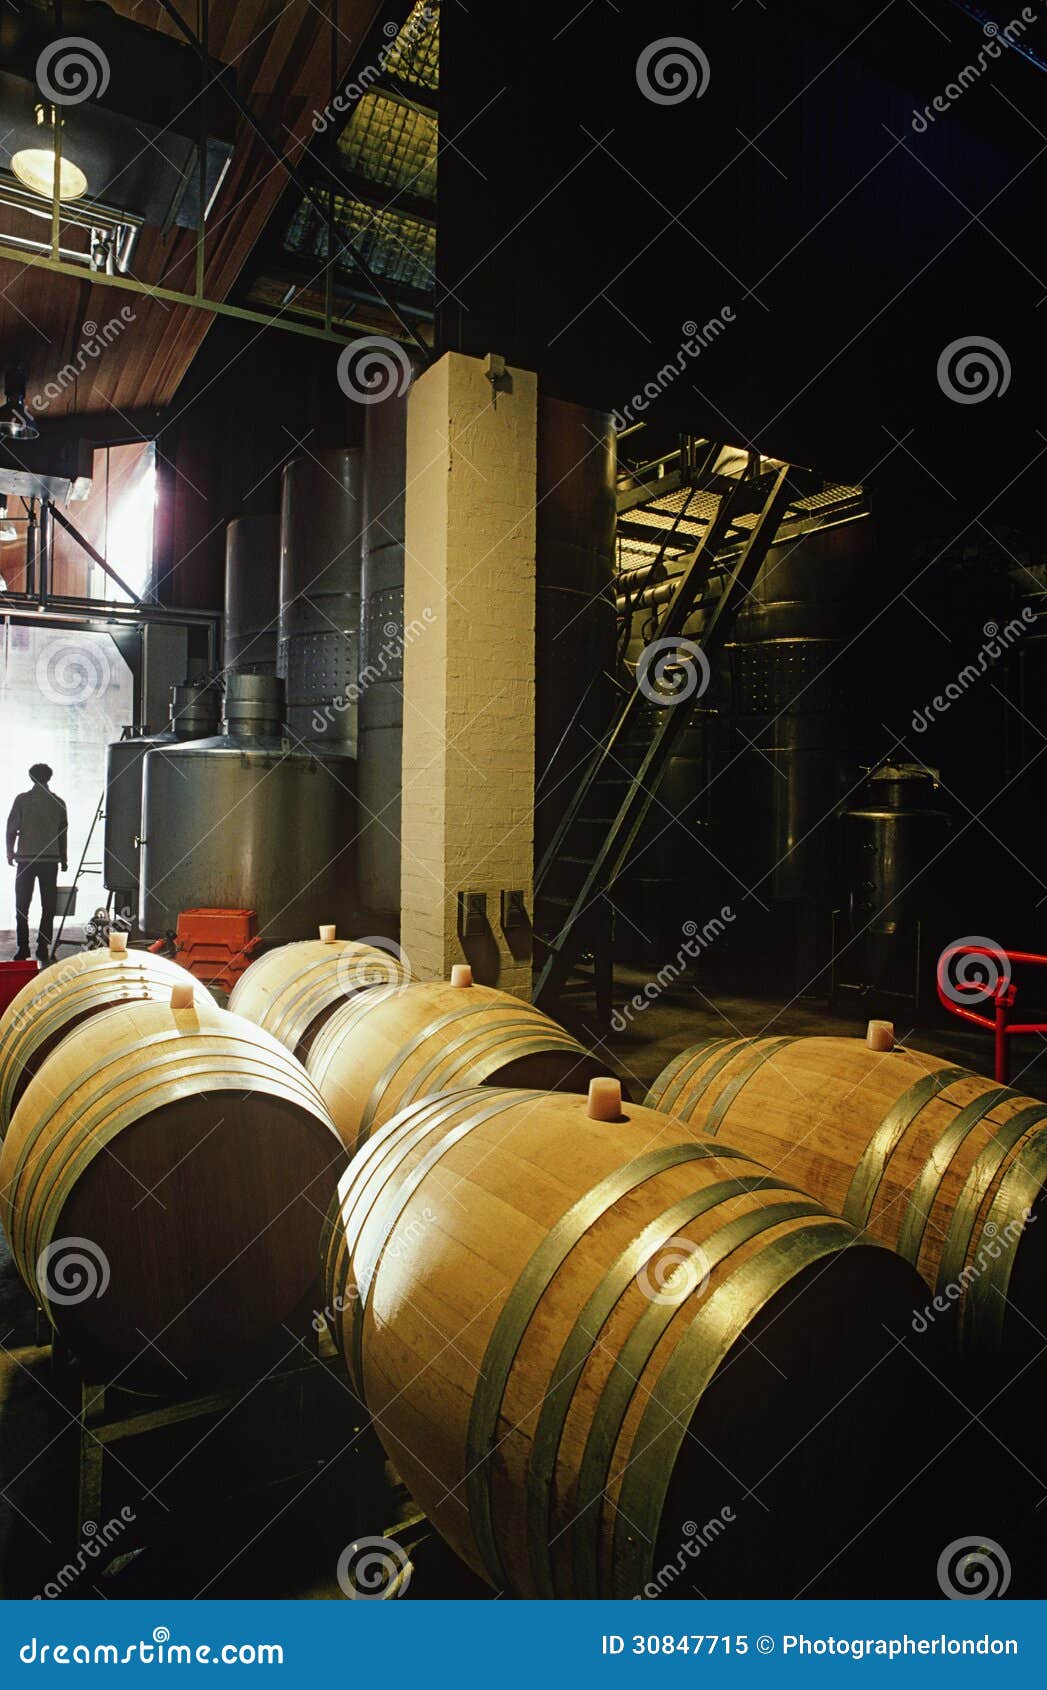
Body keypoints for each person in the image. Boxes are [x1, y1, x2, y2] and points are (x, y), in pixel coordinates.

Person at [6, 763, 68, 962]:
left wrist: (10, 852)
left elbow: (11, 830)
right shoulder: (59, 803)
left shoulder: (22, 800)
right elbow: (62, 834)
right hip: (50, 861)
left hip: (25, 860)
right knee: (48, 905)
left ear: (31, 777)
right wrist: (64, 858)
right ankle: (42, 946)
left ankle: (23, 947)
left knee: (22, 904)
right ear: (49, 778)